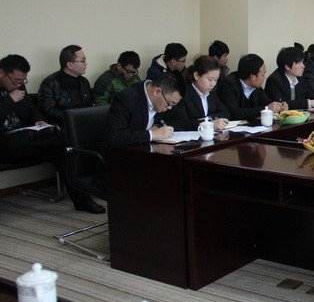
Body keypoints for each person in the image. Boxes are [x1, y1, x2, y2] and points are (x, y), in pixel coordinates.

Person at [0, 55, 103, 214]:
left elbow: (31, 109)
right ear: (1, 73)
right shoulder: (12, 94)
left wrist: (38, 121)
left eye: (23, 81)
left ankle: (83, 199)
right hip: (4, 145)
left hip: (23, 140)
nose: (19, 84)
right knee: (54, 142)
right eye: (16, 80)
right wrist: (10, 101)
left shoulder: (18, 87)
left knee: (63, 145)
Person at [105, 72, 185, 146]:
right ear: (157, 92)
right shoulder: (127, 98)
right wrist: (151, 134)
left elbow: (181, 120)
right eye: (169, 104)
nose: (170, 108)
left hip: (151, 149)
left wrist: (159, 127)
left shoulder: (165, 98)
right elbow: (114, 136)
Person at [164, 56, 230, 131]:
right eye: (210, 79)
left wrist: (208, 118)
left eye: (216, 80)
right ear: (196, 76)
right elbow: (181, 123)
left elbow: (226, 113)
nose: (213, 84)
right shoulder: (184, 94)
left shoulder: (211, 93)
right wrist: (208, 124)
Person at [217, 54, 286, 120]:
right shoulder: (228, 85)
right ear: (252, 77)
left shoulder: (256, 86)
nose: (265, 78)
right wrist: (265, 108)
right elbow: (234, 113)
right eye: (263, 75)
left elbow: (267, 103)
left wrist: (279, 106)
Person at [38, 45, 93, 125]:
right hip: (63, 125)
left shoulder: (84, 81)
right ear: (70, 65)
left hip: (84, 122)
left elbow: (90, 103)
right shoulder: (50, 83)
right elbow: (48, 111)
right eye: (82, 61)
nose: (86, 64)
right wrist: (72, 118)